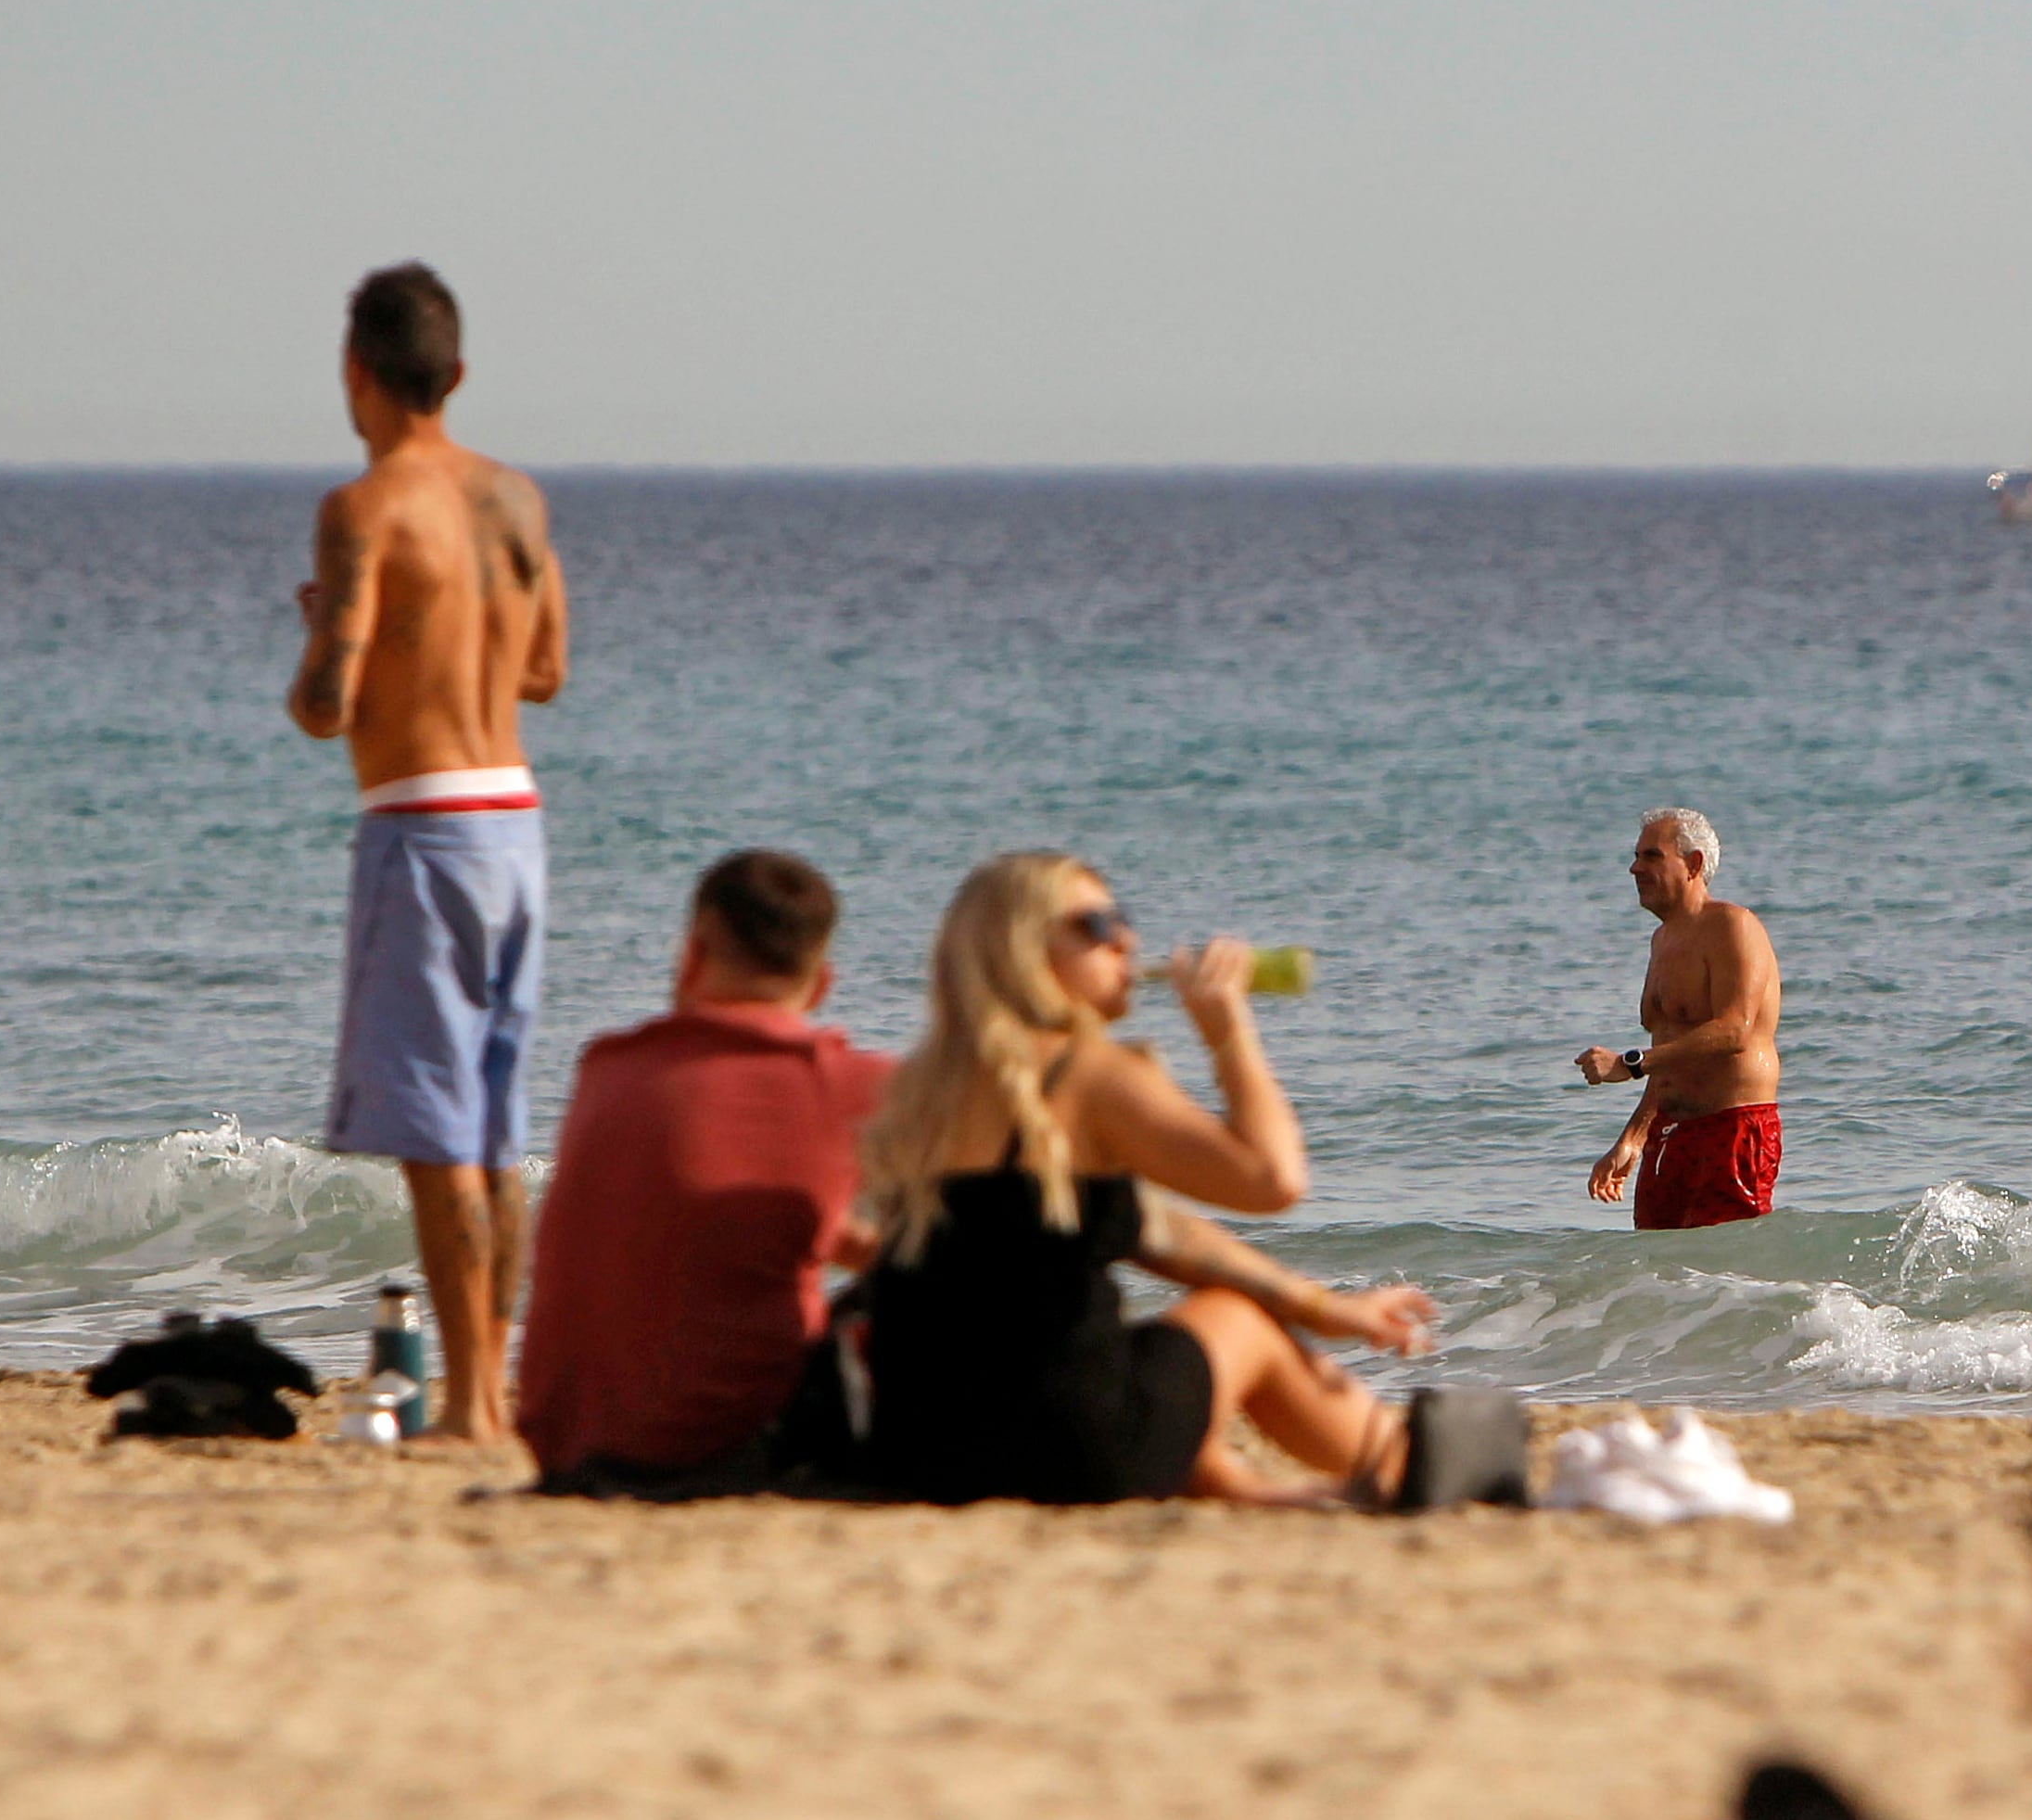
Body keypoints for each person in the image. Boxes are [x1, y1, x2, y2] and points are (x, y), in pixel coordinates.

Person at [838, 852, 1523, 1508]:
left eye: (1124, 919)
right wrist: (1228, 1032)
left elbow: (1157, 1229)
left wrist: (1320, 1306)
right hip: (1066, 1450)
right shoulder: (1088, 1074)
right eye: (1098, 926)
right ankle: (1411, 1464)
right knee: (1237, 1320)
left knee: (1158, 1331)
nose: (1127, 940)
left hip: (921, 1448)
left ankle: (1256, 1494)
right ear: (1024, 947)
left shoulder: (914, 1093)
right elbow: (1272, 1180)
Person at [286, 263, 568, 1445]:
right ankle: (489, 1393)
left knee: (434, 1136)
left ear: (356, 371)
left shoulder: (364, 508)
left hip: (422, 824)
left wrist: (317, 634)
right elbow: (547, 671)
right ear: (454, 374)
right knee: (492, 1132)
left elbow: (324, 703)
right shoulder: (516, 502)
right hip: (516, 822)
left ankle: (473, 1404)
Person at [514, 852, 893, 1492]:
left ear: (691, 953)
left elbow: (711, 1217)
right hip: (729, 1443)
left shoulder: (607, 1067)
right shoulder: (848, 1083)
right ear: (822, 984)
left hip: (564, 1442)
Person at [1573, 808, 1783, 1228]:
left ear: (1694, 864)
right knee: (1659, 1273)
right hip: (1668, 1137)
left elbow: (1732, 1031)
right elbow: (1673, 1051)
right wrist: (1632, 1139)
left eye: (1651, 856)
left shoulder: (1732, 926)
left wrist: (1629, 1064)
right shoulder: (1662, 940)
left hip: (1730, 1130)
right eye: (1635, 856)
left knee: (1726, 1271)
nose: (1635, 868)